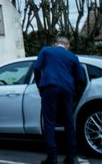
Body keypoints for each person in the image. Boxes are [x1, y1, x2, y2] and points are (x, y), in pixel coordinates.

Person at [33, 36, 86, 164]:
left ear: (55, 44)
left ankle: (52, 157)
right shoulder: (73, 57)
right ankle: (71, 156)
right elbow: (81, 78)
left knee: (49, 122)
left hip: (50, 87)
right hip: (67, 90)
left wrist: (40, 85)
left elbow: (36, 67)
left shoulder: (46, 50)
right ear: (67, 46)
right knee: (69, 122)